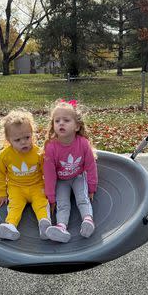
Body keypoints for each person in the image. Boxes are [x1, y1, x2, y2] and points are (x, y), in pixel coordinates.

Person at [43, 99, 98, 243]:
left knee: (82, 198)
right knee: (62, 204)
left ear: (77, 126)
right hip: (62, 181)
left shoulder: (83, 143)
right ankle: (61, 227)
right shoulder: (51, 147)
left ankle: (88, 220)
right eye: (57, 121)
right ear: (53, 125)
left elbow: (90, 166)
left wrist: (92, 187)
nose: (61, 123)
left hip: (78, 177)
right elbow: (49, 174)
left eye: (66, 120)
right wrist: (51, 197)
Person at [0, 109, 51, 240]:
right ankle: (10, 226)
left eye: (27, 137)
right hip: (16, 188)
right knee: (14, 206)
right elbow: (0, 174)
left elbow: (46, 171)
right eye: (17, 140)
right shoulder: (5, 156)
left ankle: (45, 225)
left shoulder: (38, 152)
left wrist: (49, 188)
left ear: (32, 134)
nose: (23, 142)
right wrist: (1, 193)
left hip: (36, 185)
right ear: (9, 140)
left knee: (41, 203)